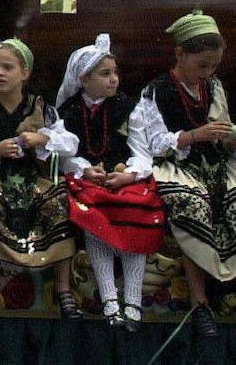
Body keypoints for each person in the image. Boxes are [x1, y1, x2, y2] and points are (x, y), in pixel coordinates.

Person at [128, 10, 236, 338]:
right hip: (179, 165)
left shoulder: (214, 88)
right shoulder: (157, 91)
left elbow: (226, 131)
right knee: (190, 203)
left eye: (213, 66)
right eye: (202, 65)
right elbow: (155, 143)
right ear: (179, 54)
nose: (208, 72)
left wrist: (233, 136)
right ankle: (199, 304)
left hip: (218, 164)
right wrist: (193, 136)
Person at [0, 38, 80, 325]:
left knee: (58, 201)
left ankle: (63, 288)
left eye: (7, 67)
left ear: (24, 73)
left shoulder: (42, 108)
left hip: (32, 176)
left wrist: (43, 138)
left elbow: (69, 143)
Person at [56, 34, 163, 332]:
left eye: (115, 73)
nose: (114, 80)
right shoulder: (68, 111)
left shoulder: (130, 107)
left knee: (134, 206)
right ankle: (109, 300)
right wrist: (84, 169)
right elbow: (66, 153)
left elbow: (143, 149)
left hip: (124, 176)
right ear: (84, 79)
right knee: (92, 208)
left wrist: (130, 173)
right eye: (105, 74)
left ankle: (132, 299)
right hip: (88, 179)